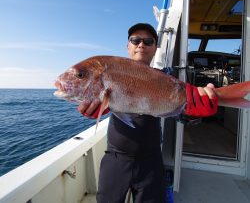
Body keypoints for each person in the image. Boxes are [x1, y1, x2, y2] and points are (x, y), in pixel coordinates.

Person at [77, 23, 217, 203]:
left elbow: (179, 115)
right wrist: (95, 108)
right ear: (127, 46)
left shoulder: (166, 77)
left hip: (151, 161)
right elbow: (102, 98)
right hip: (115, 158)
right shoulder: (112, 71)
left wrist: (195, 113)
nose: (141, 44)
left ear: (155, 48)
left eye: (148, 41)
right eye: (135, 40)